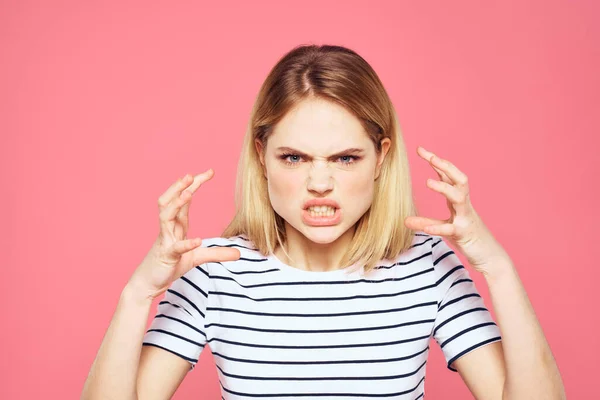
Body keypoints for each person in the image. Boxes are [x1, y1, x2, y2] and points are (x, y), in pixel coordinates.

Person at [81, 45, 565, 399]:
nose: (319, 183)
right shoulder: (214, 269)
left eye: (345, 158)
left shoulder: (427, 264)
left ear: (381, 159)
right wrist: (137, 293)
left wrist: (497, 267)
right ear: (262, 157)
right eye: (293, 157)